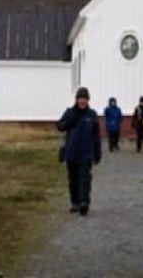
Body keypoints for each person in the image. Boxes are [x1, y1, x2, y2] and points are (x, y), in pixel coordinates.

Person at [57, 87, 101, 216]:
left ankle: (84, 202)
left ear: (88, 100)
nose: (82, 101)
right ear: (76, 100)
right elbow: (60, 126)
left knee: (84, 178)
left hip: (86, 153)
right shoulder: (70, 112)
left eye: (84, 99)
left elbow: (96, 136)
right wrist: (69, 120)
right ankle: (74, 202)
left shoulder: (91, 115)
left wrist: (97, 153)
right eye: (80, 98)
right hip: (72, 152)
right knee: (73, 179)